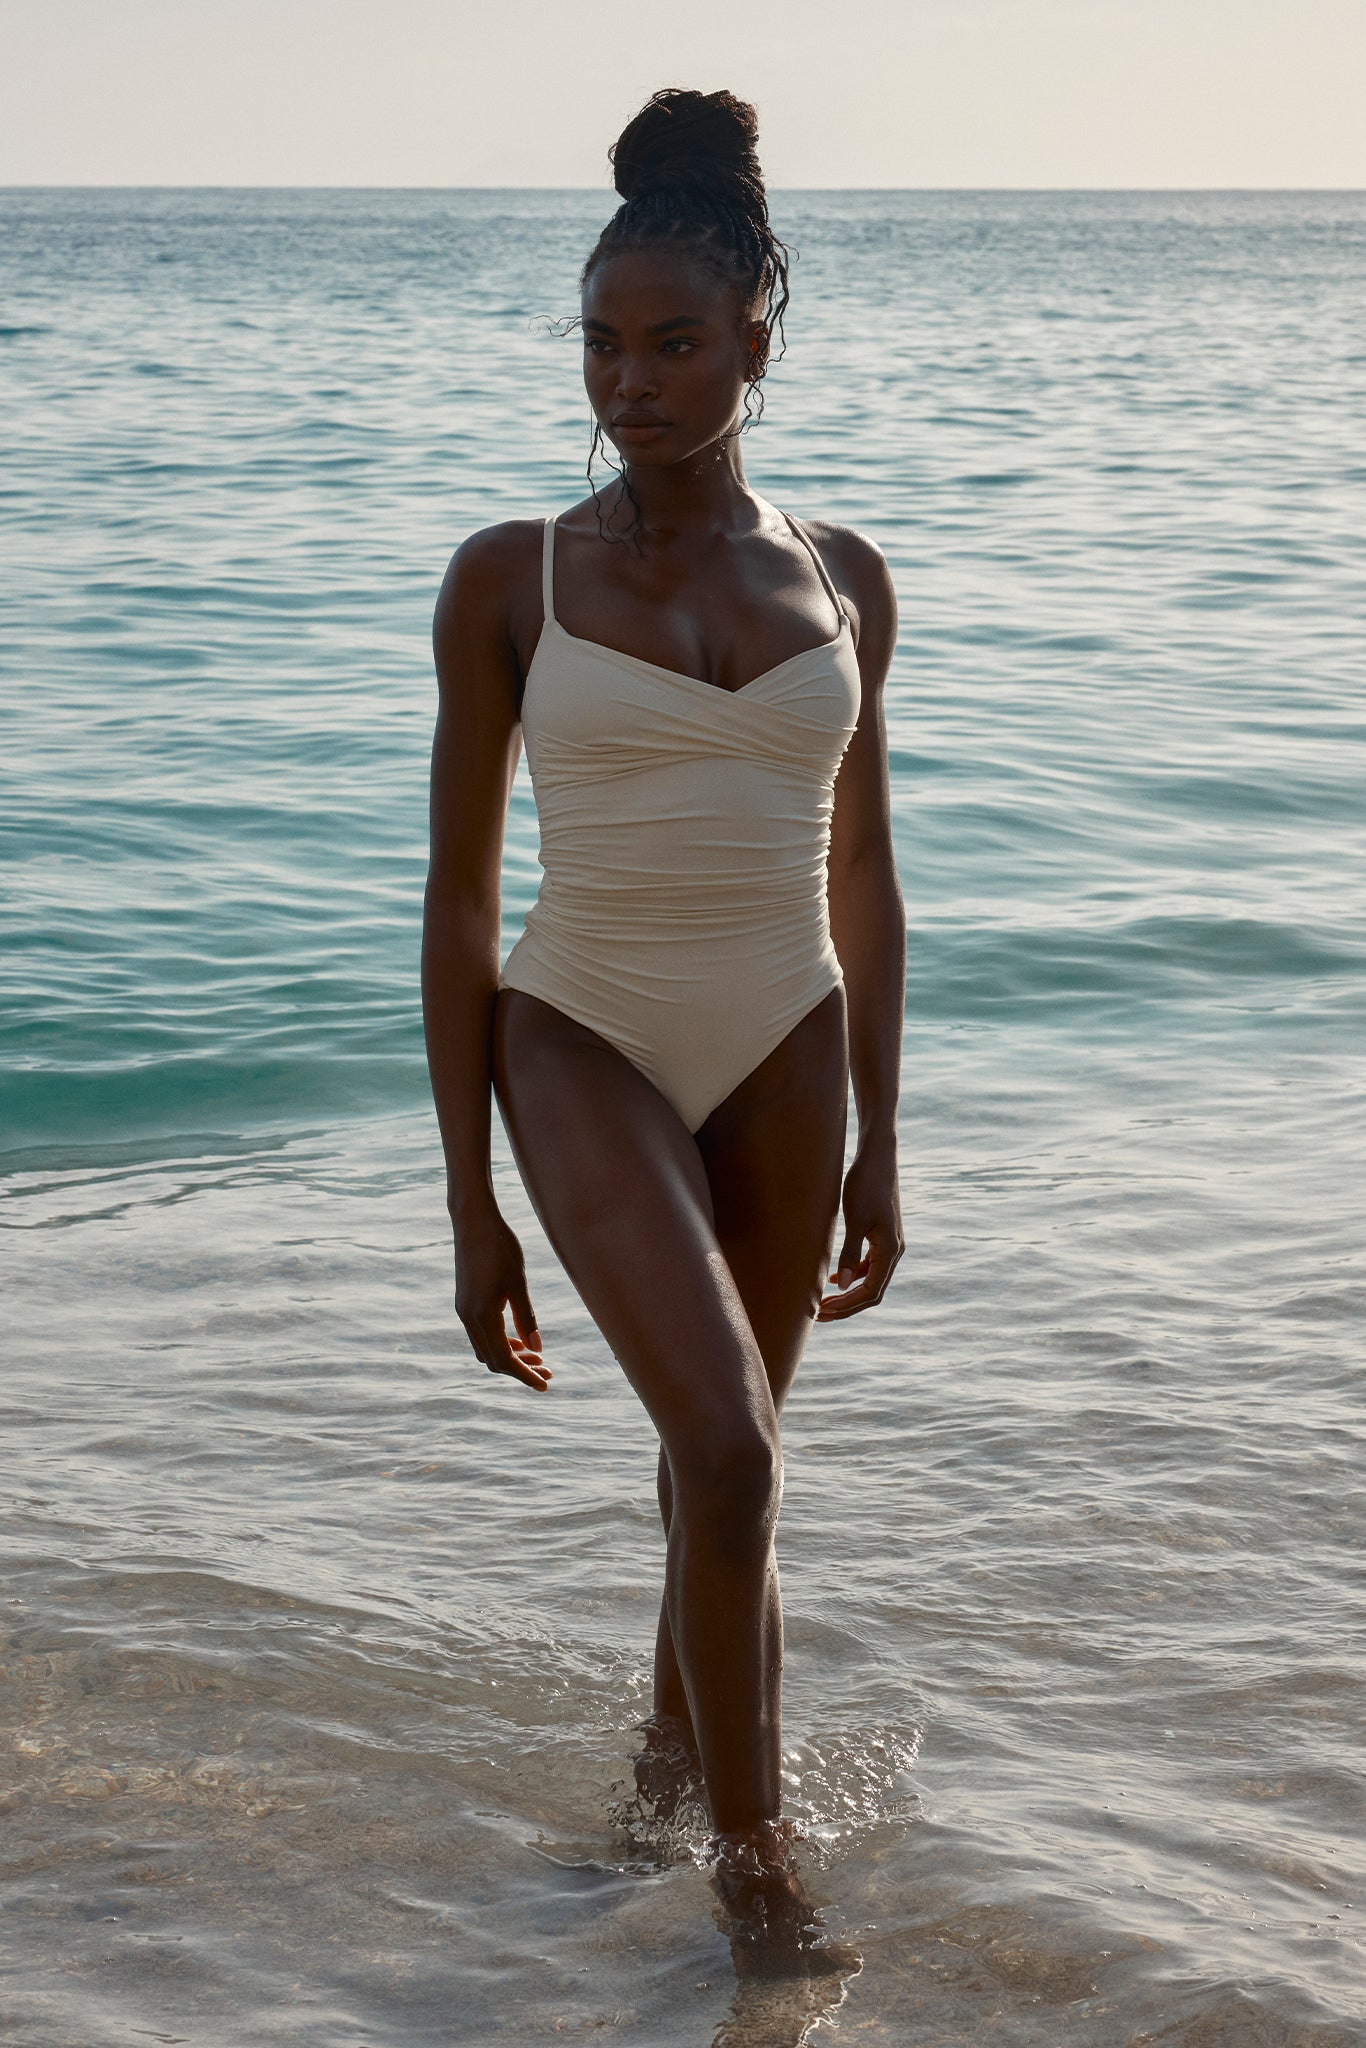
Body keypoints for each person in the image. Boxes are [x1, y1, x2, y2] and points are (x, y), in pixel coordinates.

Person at [422, 86, 905, 1971]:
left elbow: (866, 880)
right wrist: (470, 1203)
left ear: (754, 348)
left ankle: (654, 1771)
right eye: (600, 347)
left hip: (783, 1032)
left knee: (727, 1452)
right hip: (582, 1029)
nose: (627, 383)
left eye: (672, 345)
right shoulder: (508, 579)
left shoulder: (845, 578)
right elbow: (460, 901)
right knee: (733, 1457)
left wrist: (884, 1132)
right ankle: (759, 1868)